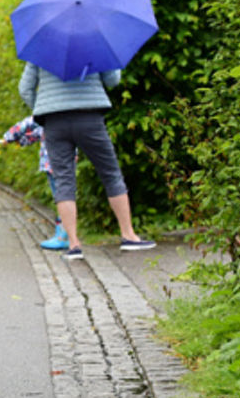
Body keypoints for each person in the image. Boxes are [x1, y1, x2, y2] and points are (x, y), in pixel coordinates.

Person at [18, 63, 155, 261]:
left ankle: (73, 245)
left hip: (54, 121)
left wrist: (43, 110)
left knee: (64, 179)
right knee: (110, 174)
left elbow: (25, 89)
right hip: (89, 117)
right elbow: (113, 80)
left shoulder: (41, 45)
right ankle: (128, 236)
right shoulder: (94, 40)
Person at [2, 115, 68, 250]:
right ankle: (61, 233)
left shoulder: (44, 114)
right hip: (56, 164)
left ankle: (63, 236)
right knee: (61, 198)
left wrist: (8, 137)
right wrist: (20, 141)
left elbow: (24, 125)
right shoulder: (58, 119)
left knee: (62, 199)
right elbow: (36, 134)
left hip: (55, 164)